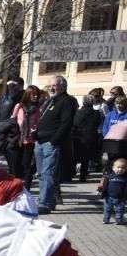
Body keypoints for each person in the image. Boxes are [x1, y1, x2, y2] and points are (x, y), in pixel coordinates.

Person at [33, 75, 78, 214]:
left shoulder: (67, 101)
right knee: (41, 174)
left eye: (55, 85)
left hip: (51, 143)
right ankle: (49, 202)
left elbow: (66, 124)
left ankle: (44, 203)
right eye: (50, 86)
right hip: (40, 142)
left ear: (63, 86)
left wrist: (54, 141)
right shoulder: (50, 101)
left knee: (47, 173)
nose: (51, 88)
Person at [13, 85, 41, 187]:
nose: (36, 96)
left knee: (28, 165)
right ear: (28, 95)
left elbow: (39, 122)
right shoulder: (19, 106)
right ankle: (17, 187)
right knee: (19, 165)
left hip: (31, 139)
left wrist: (35, 129)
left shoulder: (38, 108)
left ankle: (27, 188)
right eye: (34, 94)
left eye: (37, 94)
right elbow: (13, 120)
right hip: (19, 139)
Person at [100, 157, 127, 225]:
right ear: (113, 168)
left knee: (120, 210)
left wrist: (125, 198)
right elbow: (104, 185)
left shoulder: (125, 178)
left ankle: (118, 220)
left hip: (120, 198)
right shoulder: (109, 176)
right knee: (107, 210)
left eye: (123, 168)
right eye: (118, 167)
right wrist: (101, 192)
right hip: (109, 197)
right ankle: (106, 220)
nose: (120, 169)